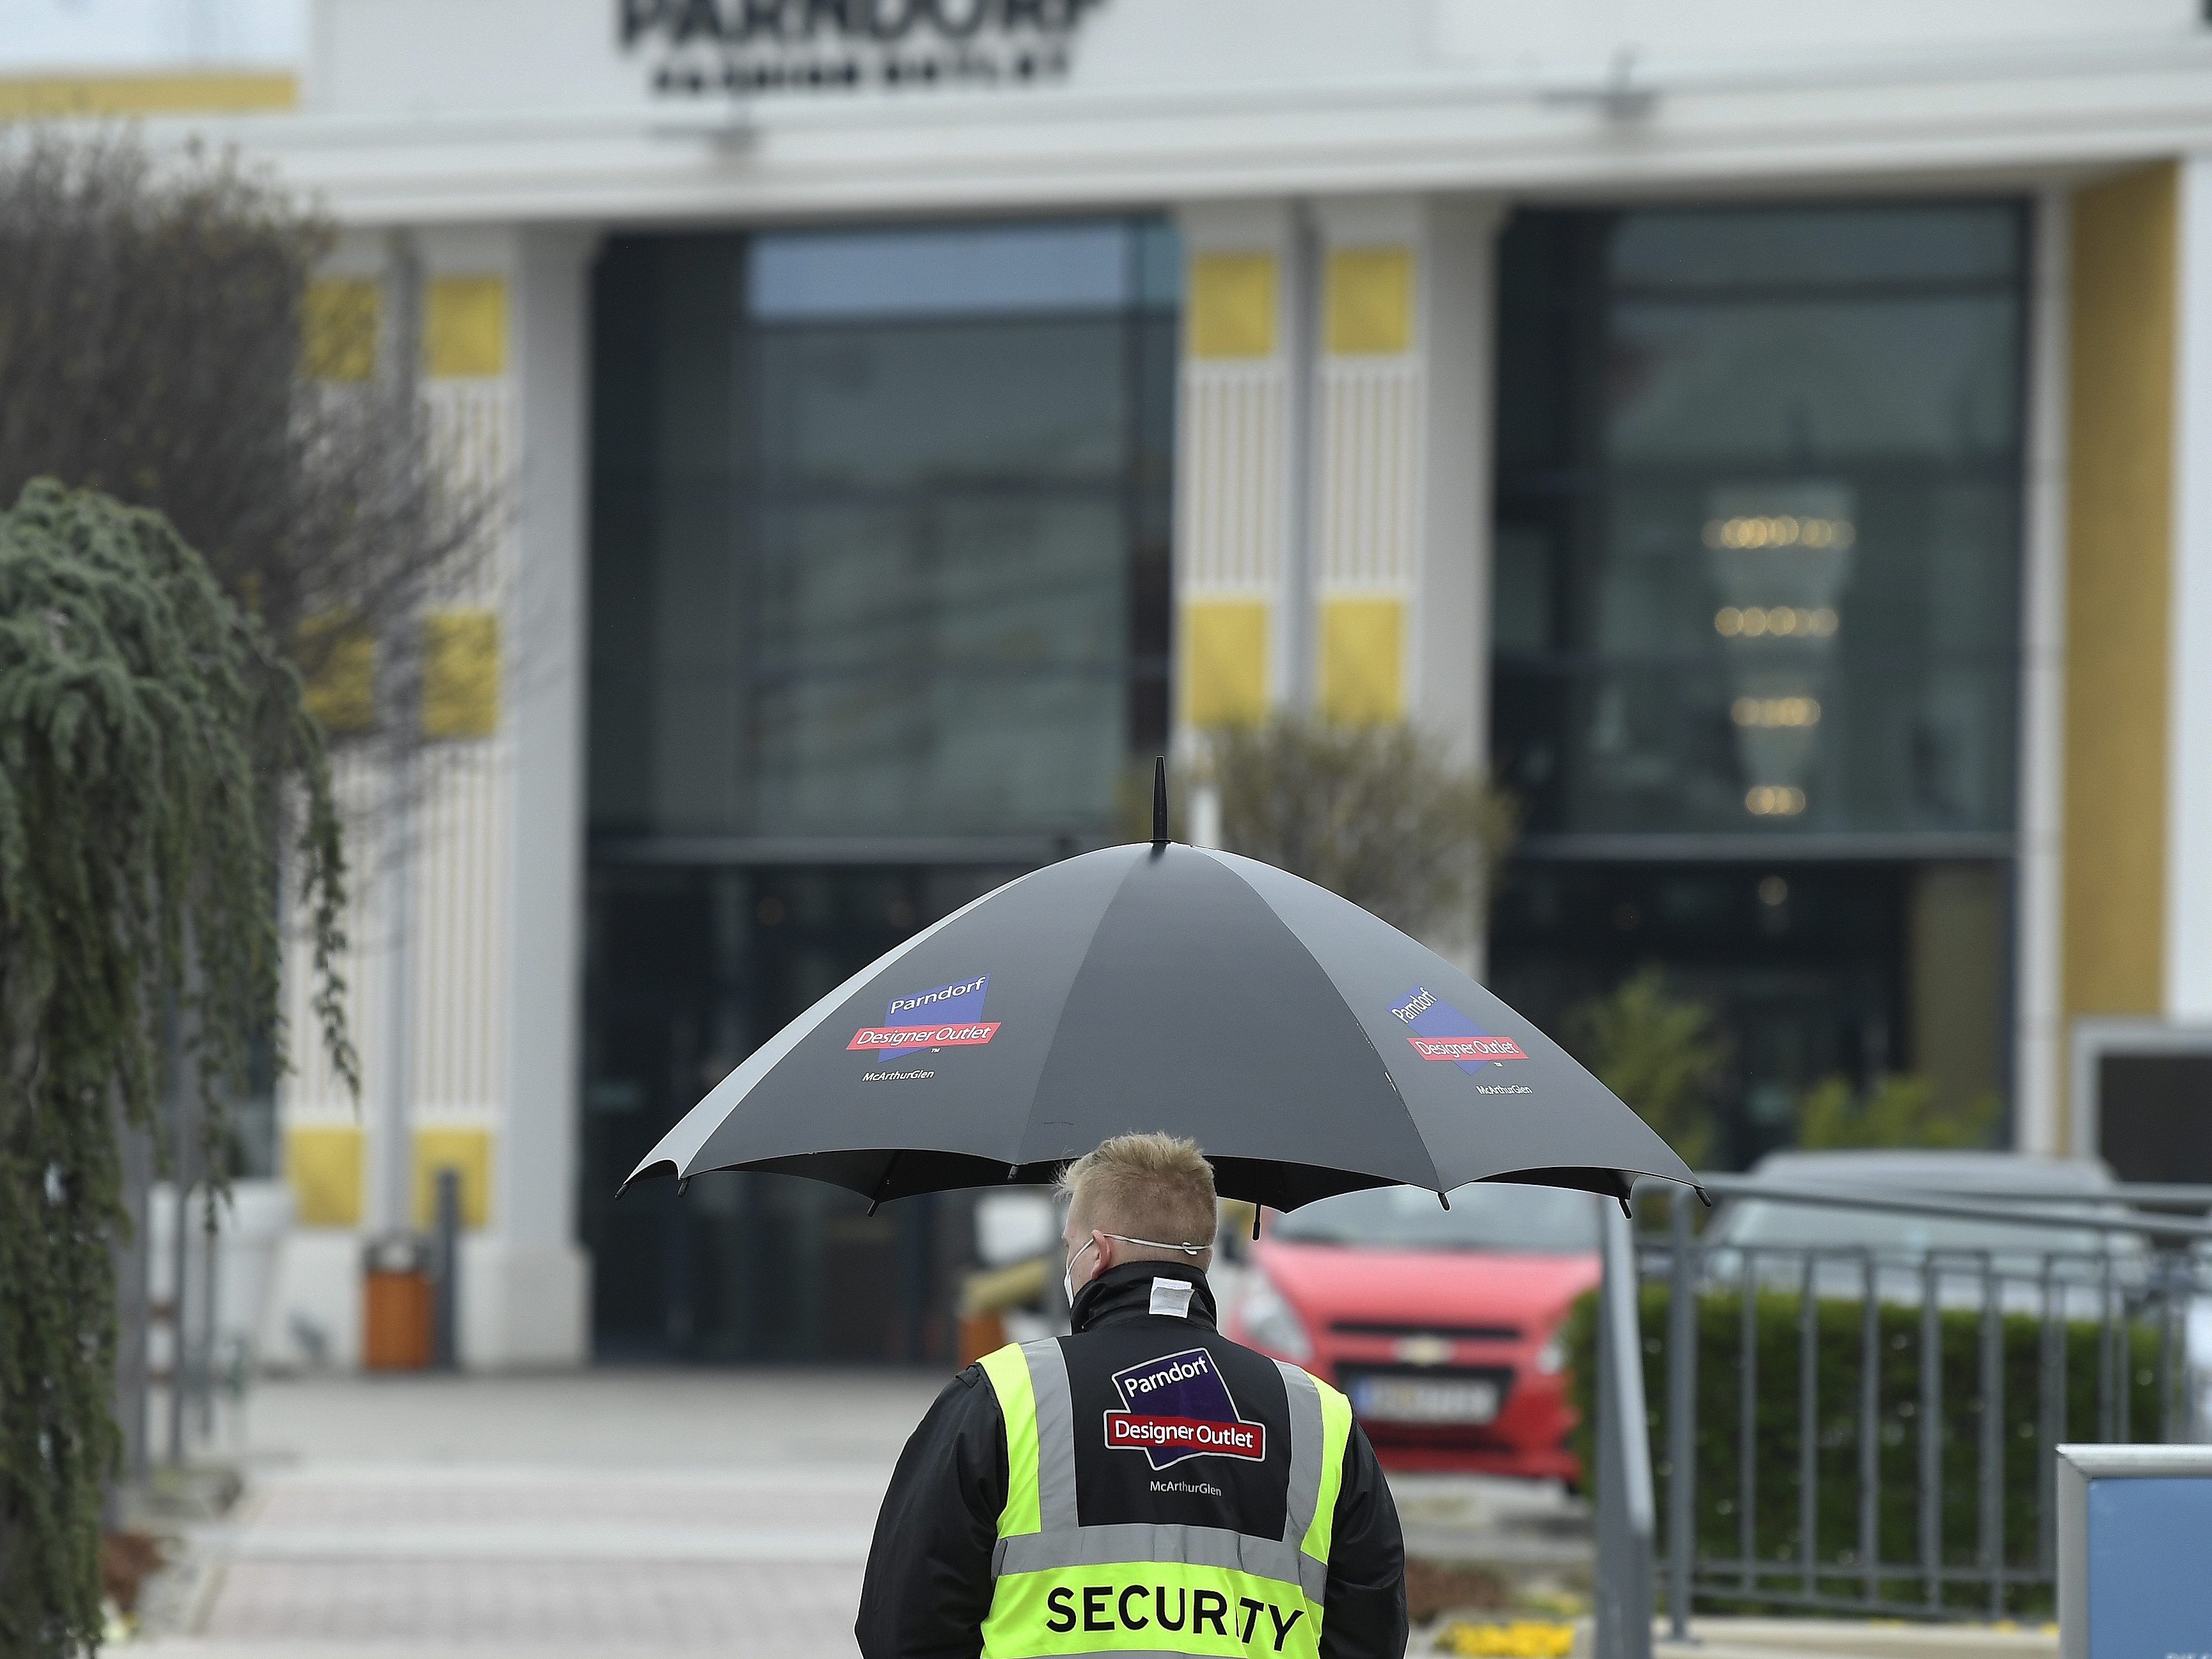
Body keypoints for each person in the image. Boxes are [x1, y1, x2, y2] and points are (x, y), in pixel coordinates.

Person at [857, 1132, 1407, 1659]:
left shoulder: (1003, 1395)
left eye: (1068, 1244)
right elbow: (1371, 1629)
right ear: (1204, 1257)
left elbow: (903, 1621)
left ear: (1097, 1251)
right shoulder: (1317, 1416)